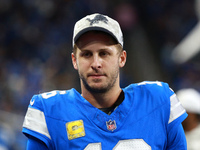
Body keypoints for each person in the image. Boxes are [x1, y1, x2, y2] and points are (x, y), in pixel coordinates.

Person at [22, 13, 188, 150]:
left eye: (104, 53)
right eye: (86, 54)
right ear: (74, 60)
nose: (96, 64)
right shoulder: (50, 111)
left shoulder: (158, 100)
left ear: (121, 58)